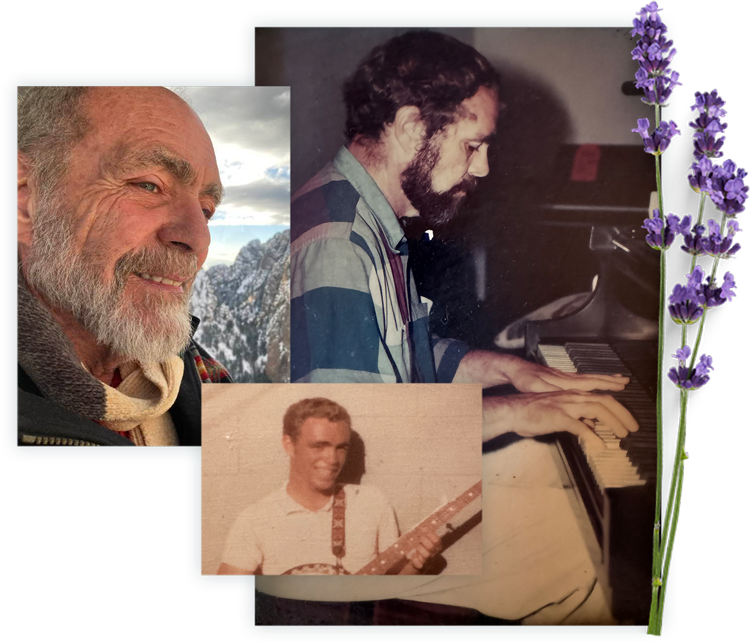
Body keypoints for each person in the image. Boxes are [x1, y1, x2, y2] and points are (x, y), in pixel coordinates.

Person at [290, 31, 638, 449]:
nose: (484, 168)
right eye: (473, 146)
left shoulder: (360, 212)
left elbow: (399, 357)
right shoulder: (339, 244)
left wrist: (506, 369)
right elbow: (350, 434)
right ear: (412, 128)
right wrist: (513, 410)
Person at [17, 86, 232, 448]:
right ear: (24, 198)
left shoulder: (201, 374)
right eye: (149, 185)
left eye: (206, 210)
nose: (199, 240)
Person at [217, 397, 441, 576]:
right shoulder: (255, 519)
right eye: (319, 446)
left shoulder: (373, 502)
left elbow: (393, 587)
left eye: (341, 448)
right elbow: (222, 602)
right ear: (289, 445)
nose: (333, 459)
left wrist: (418, 563)